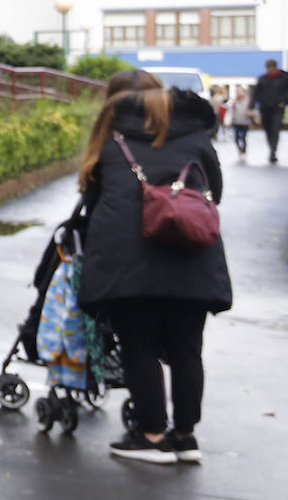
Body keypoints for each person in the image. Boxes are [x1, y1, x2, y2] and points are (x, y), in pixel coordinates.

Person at [78, 71, 232, 464]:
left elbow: (91, 202)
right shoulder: (197, 138)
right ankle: (184, 437)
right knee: (187, 350)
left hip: (129, 263)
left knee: (140, 347)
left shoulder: (112, 139)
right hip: (192, 255)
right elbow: (216, 192)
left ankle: (150, 435)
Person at [252, 59, 288, 164]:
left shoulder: (284, 78)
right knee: (268, 130)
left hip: (278, 108)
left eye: (271, 68)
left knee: (275, 129)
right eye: (268, 68)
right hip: (265, 108)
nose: (270, 70)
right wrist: (254, 104)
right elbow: (255, 93)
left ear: (275, 67)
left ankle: (273, 151)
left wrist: (284, 102)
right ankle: (271, 148)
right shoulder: (262, 79)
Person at [230, 85, 253, 162]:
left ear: (244, 92)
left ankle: (244, 151)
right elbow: (231, 112)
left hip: (245, 122)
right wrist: (230, 120)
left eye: (240, 91)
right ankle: (240, 150)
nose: (238, 92)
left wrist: (251, 113)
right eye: (237, 91)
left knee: (243, 137)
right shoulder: (234, 101)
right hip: (236, 122)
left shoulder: (248, 101)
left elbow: (253, 110)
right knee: (236, 138)